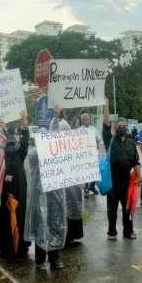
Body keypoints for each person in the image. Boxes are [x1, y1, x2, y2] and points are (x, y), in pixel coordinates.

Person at [25, 122, 68, 270]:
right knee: (41, 225)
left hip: (55, 196)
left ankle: (54, 257)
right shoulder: (34, 153)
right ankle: (40, 260)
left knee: (55, 224)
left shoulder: (56, 150)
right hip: (40, 196)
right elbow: (32, 158)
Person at [0, 111, 31, 260]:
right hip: (16, 189)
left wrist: (24, 121)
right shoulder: (17, 153)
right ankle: (16, 246)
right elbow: (25, 141)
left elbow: (25, 140)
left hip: (12, 189)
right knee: (15, 214)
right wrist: (24, 122)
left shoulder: (6, 154)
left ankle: (11, 246)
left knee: (10, 214)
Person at [50, 105, 85, 247]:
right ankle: (63, 235)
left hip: (71, 176)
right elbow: (52, 135)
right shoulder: (54, 125)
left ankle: (71, 235)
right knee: (62, 206)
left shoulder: (65, 124)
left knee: (72, 204)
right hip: (60, 174)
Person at [106, 117, 140, 241]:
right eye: (120, 126)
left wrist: (139, 176)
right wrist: (106, 107)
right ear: (115, 128)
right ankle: (112, 232)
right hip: (112, 181)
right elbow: (105, 124)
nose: (122, 128)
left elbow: (136, 161)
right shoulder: (110, 140)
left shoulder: (131, 143)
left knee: (128, 208)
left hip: (127, 181)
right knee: (112, 209)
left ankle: (128, 231)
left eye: (124, 126)